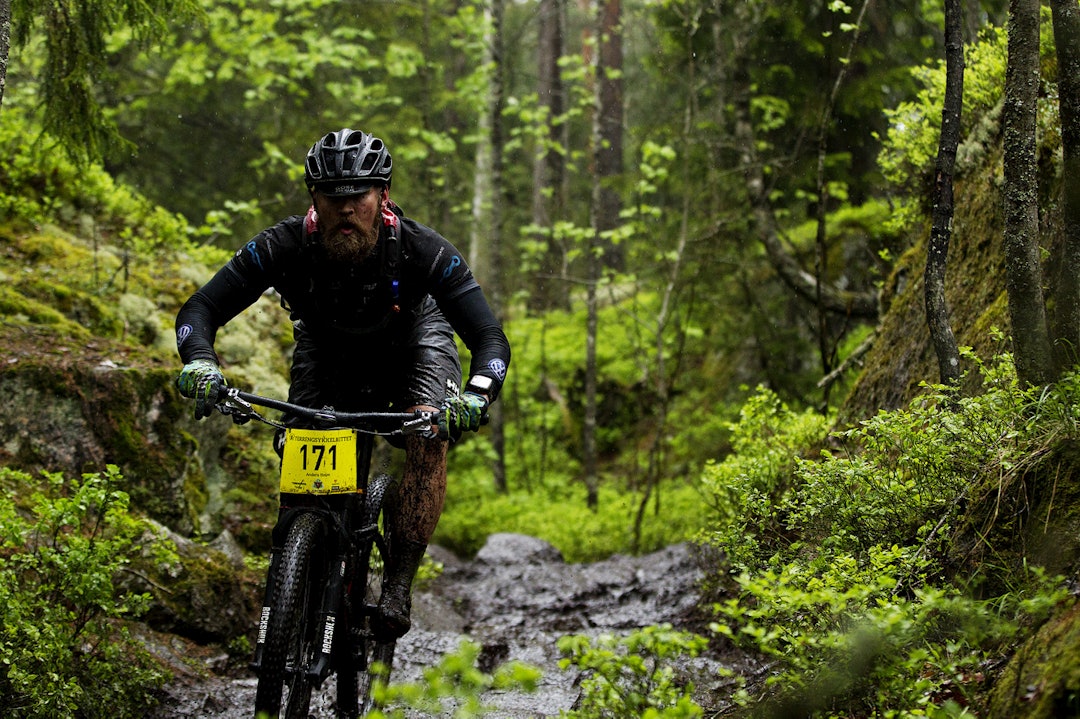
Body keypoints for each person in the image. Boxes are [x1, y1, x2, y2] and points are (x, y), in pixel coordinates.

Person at [174, 128, 510, 638]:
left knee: (428, 435)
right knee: (303, 452)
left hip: (414, 341)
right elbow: (200, 308)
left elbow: (488, 337)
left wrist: (476, 394)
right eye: (334, 197)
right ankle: (299, 574)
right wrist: (200, 361)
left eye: (359, 195)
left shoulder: (423, 250)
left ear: (383, 196)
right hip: (327, 347)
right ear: (315, 198)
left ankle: (397, 582)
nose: (346, 208)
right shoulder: (282, 245)